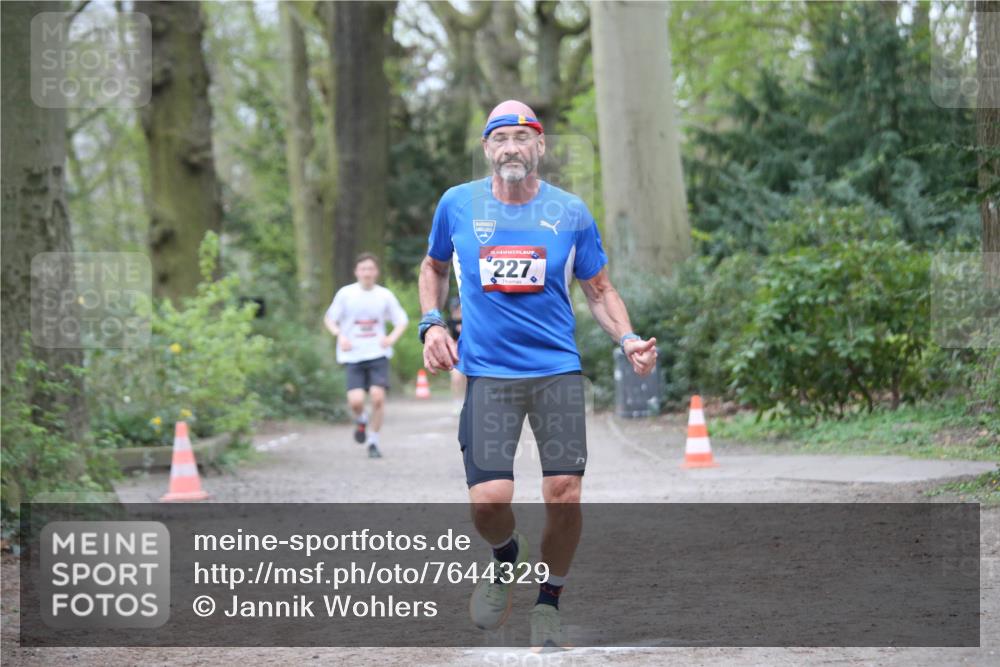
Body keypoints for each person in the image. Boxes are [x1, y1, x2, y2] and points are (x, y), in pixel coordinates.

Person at [417, 100, 657, 649]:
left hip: (555, 371)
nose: (510, 148)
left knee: (564, 492)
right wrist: (431, 323)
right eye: (500, 139)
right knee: (489, 501)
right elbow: (432, 266)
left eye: (521, 138)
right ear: (486, 150)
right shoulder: (457, 205)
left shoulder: (570, 213)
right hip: (489, 374)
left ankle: (549, 600)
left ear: (540, 147)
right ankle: (505, 559)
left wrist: (627, 339)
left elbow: (599, 289)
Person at [324, 252, 409, 459]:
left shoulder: (384, 295)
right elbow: (329, 319)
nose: (367, 273)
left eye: (371, 269)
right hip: (353, 354)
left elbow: (402, 320)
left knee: (378, 398)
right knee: (356, 401)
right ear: (356, 272)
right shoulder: (346, 294)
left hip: (377, 353)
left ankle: (373, 441)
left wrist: (390, 338)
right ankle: (361, 419)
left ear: (376, 272)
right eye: (363, 269)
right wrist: (339, 336)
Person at [447, 296, 466, 413]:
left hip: (466, 350)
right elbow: (447, 335)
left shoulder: (467, 319)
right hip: (454, 351)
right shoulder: (449, 321)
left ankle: (464, 401)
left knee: (465, 378)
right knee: (455, 378)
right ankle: (456, 401)